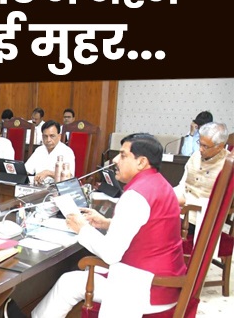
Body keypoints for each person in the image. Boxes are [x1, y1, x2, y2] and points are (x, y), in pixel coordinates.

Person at [32, 133, 187, 317]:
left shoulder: (136, 195)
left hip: (144, 287)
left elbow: (111, 254)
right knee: (73, 280)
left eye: (122, 155)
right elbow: (151, 225)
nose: (114, 160)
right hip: (163, 281)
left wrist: (82, 228)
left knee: (68, 283)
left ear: (141, 162)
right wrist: (107, 223)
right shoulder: (159, 182)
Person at [174, 122, 229, 224]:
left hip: (201, 217)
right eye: (200, 143)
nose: (200, 149)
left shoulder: (228, 165)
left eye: (205, 146)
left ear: (220, 146)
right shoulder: (196, 155)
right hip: (180, 207)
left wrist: (186, 202)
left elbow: (221, 201)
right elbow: (183, 184)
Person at [26, 120, 75, 185]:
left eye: (52, 136)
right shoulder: (39, 150)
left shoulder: (67, 151)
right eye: (45, 136)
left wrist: (48, 173)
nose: (48, 140)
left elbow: (69, 177)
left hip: (57, 188)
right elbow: (27, 170)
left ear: (59, 136)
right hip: (38, 187)